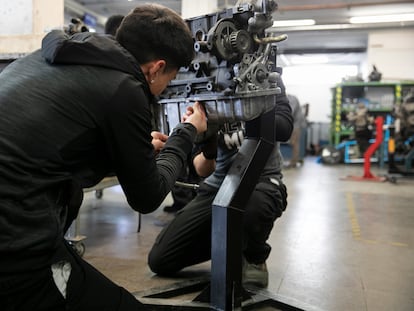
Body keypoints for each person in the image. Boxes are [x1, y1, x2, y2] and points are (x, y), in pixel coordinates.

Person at [0, 4, 207, 311]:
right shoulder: (125, 88)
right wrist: (186, 134)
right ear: (156, 67)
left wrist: (132, 148)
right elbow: (147, 197)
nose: (165, 88)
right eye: (171, 76)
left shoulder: (56, 56)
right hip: (16, 243)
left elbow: (57, 143)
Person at [148, 77, 293, 288]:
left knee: (254, 206)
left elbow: (284, 127)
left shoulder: (266, 78)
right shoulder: (205, 86)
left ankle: (254, 257)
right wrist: (208, 142)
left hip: (261, 182)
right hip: (219, 185)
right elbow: (201, 168)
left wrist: (246, 107)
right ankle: (229, 247)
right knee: (161, 260)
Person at [286, 94, 307, 168]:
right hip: (294, 123)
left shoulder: (291, 99)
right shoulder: (289, 98)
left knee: (294, 143)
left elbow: (291, 111)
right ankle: (296, 159)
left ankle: (294, 162)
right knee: (294, 143)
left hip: (296, 124)